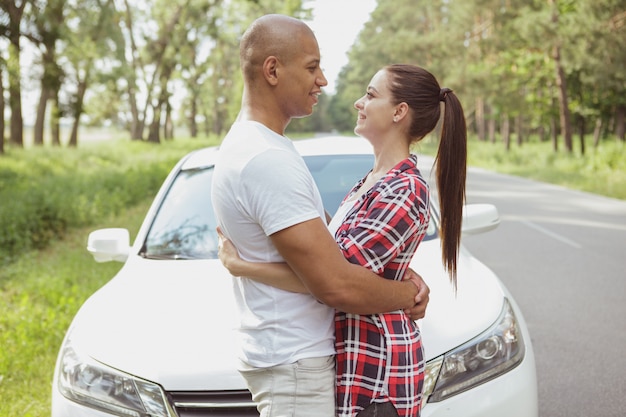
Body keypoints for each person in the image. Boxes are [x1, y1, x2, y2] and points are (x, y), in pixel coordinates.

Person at [217, 63, 467, 417]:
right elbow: (333, 250)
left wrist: (242, 266)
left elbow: (333, 277)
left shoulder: (405, 188)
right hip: (358, 363)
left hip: (379, 371)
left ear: (399, 112)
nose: (358, 102)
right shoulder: (374, 181)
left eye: (370, 94)